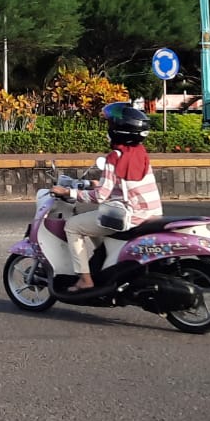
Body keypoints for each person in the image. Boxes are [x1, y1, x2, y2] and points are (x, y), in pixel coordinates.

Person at [50, 101, 163, 292]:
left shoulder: (114, 156)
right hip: (151, 213)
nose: (108, 128)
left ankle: (85, 280)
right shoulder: (141, 153)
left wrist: (68, 192)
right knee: (100, 218)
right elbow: (128, 184)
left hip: (131, 216)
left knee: (73, 226)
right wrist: (99, 184)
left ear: (119, 130)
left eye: (110, 125)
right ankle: (104, 263)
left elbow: (101, 196)